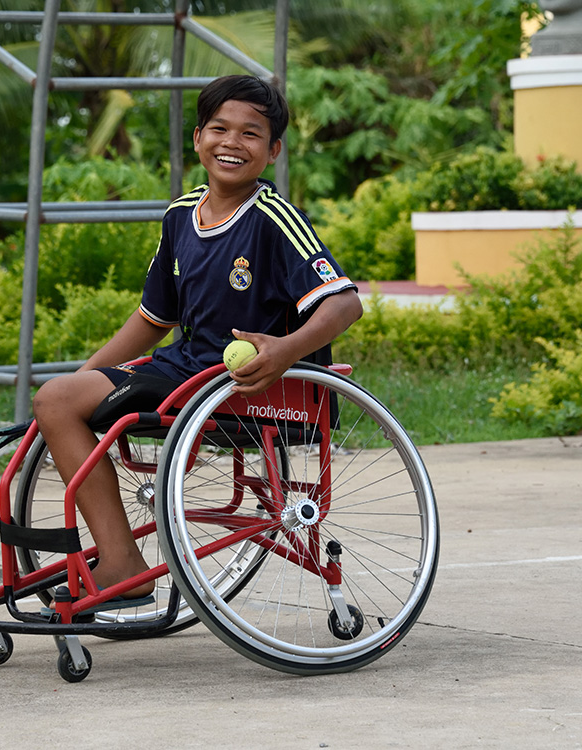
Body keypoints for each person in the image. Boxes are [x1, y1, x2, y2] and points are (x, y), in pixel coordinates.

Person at [32, 74, 363, 608]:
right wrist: (82, 378)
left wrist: (284, 351)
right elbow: (152, 318)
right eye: (219, 128)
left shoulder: (273, 219)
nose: (232, 142)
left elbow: (344, 303)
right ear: (197, 138)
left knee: (56, 399)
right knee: (57, 398)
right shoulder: (179, 216)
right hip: (185, 372)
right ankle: (122, 559)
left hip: (246, 388)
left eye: (251, 134)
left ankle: (121, 567)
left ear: (273, 151)